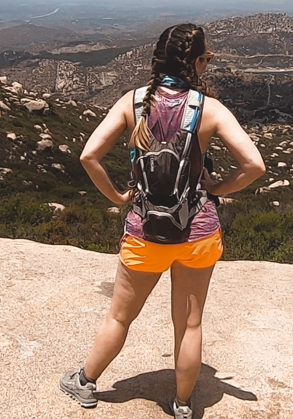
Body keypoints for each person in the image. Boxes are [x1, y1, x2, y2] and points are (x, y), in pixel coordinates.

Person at [60, 24, 265, 418]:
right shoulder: (210, 109)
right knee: (189, 325)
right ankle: (183, 404)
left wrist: (119, 197)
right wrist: (218, 188)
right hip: (198, 232)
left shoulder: (132, 103)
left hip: (144, 233)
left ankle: (85, 382)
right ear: (199, 62)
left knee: (120, 315)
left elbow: (89, 156)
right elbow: (254, 165)